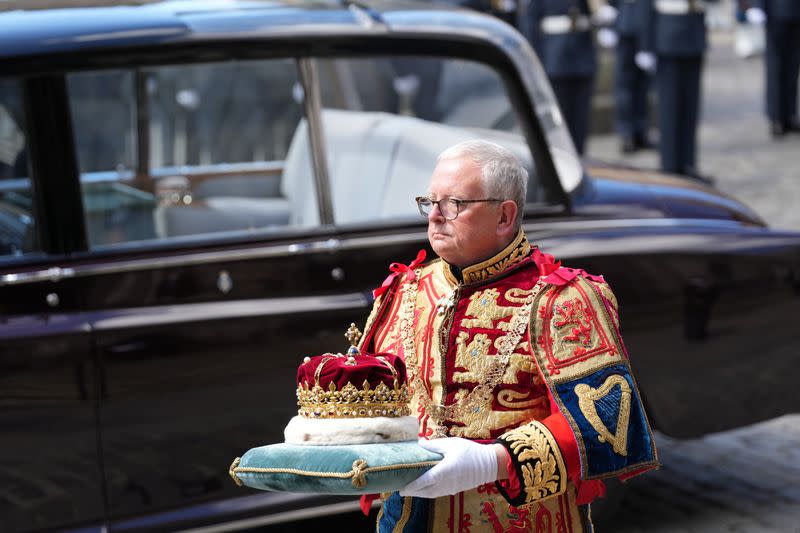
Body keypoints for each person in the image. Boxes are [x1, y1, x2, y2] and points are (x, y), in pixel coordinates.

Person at [356, 140, 658, 532]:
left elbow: (606, 425)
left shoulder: (562, 299)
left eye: (454, 204)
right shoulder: (404, 288)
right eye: (429, 202)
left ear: (504, 216)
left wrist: (493, 461)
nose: (434, 216)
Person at [639, 0, 718, 181]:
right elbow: (645, 6)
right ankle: (670, 167)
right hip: (668, 34)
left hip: (694, 31)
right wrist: (645, 45)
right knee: (669, 108)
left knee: (690, 106)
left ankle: (688, 163)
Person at [522, 0, 609, 155]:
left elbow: (597, 12)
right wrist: (537, 60)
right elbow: (530, 22)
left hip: (583, 55)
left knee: (580, 123)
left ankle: (580, 161)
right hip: (555, 57)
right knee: (559, 123)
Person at [742, 1, 800, 137]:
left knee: (793, 67)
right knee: (776, 67)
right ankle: (776, 117)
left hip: (796, 11)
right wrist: (758, 6)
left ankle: (790, 114)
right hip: (775, 12)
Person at [607, 0, 656, 154]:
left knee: (642, 84)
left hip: (646, 21)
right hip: (626, 20)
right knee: (624, 85)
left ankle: (640, 131)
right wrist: (609, 25)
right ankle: (626, 132)